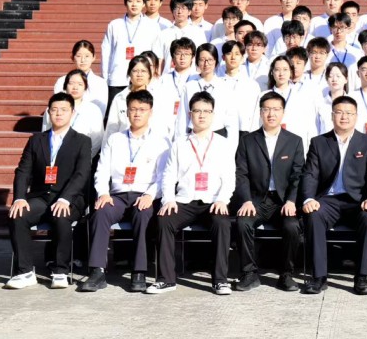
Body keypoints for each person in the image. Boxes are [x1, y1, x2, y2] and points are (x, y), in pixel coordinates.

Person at [78, 90, 169, 293]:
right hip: (117, 196)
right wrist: (103, 193)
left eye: (142, 109)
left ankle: (139, 271)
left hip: (144, 195)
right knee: (101, 212)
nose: (137, 113)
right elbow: (102, 170)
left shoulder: (161, 141)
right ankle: (97, 271)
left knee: (143, 215)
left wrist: (150, 195)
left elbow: (164, 175)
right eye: (133, 109)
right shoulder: (115, 139)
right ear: (126, 112)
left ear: (150, 112)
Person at [148, 92, 236, 295]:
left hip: (212, 201)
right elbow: (169, 175)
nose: (202, 115)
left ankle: (220, 280)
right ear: (190, 114)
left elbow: (229, 178)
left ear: (213, 114)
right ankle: (166, 279)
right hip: (185, 201)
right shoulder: (179, 143)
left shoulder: (223, 144)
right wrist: (168, 200)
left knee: (222, 223)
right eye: (197, 111)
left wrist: (222, 200)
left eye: (206, 111)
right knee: (164, 220)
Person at [300, 95, 367, 295]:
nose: (344, 117)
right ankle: (319, 277)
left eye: (349, 113)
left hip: (357, 201)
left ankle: (361, 277)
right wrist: (309, 198)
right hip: (328, 200)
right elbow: (310, 174)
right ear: (332, 116)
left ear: (356, 116)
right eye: (339, 112)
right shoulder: (319, 142)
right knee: (313, 215)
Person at [6, 93, 91, 290]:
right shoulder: (37, 140)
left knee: (61, 216)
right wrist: (19, 197)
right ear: (48, 113)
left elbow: (81, 174)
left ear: (72, 113)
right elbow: (23, 171)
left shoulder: (82, 141)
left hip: (69, 198)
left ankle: (60, 271)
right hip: (41, 196)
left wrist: (65, 198)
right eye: (54, 110)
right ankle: (25, 272)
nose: (58, 114)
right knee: (18, 215)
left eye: (64, 110)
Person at [234, 91, 304, 292]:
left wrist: (291, 200)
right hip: (257, 200)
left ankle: (286, 274)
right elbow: (241, 173)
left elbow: (298, 175)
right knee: (243, 223)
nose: (271, 114)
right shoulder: (248, 140)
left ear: (283, 112)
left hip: (283, 202)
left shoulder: (294, 141)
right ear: (260, 112)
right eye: (266, 109)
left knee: (292, 227)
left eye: (276, 109)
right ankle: (249, 273)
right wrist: (246, 200)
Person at [101, 0, 161, 111]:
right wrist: (106, 77)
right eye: (130, 1)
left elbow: (155, 54)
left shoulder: (152, 26)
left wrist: (153, 78)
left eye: (138, 1)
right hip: (117, 78)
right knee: (116, 112)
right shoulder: (114, 25)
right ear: (125, 3)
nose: (134, 4)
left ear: (143, 4)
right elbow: (106, 51)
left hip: (141, 79)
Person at [175, 44, 240, 154]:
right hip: (194, 137)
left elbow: (232, 121)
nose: (206, 64)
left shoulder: (225, 86)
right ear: (197, 62)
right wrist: (180, 143)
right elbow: (182, 118)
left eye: (210, 60)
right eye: (202, 60)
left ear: (216, 61)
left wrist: (231, 149)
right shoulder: (189, 86)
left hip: (218, 136)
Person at [105, 55, 172, 144]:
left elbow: (163, 126)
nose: (139, 74)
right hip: (124, 145)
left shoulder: (158, 97)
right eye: (135, 71)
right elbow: (111, 128)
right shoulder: (120, 98)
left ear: (149, 74)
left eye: (143, 71)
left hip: (151, 145)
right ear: (129, 73)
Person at [44, 69, 104, 161]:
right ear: (65, 86)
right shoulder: (53, 108)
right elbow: (45, 134)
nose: (75, 87)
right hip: (54, 159)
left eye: (80, 84)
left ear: (85, 87)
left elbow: (97, 139)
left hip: (82, 160)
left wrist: (84, 158)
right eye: (71, 83)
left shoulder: (93, 110)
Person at [266, 55, 318, 151]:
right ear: (272, 72)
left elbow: (310, 126)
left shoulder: (302, 96)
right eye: (277, 70)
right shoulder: (264, 96)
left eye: (285, 69)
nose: (281, 73)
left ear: (291, 72)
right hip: (269, 143)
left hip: (295, 145)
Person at [152, 0, 207, 74]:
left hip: (192, 77)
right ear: (172, 11)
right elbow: (159, 60)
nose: (180, 11)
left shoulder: (198, 33)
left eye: (183, 8)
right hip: (168, 77)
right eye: (176, 8)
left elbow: (202, 57)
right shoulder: (163, 34)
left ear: (189, 11)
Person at [53, 40, 109, 116]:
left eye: (87, 56)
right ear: (72, 58)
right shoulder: (61, 81)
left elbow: (101, 110)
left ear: (94, 58)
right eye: (79, 56)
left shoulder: (101, 83)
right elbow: (59, 105)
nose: (83, 60)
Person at [221, 41, 262, 137]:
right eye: (229, 53)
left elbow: (256, 113)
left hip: (245, 132)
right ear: (223, 57)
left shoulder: (252, 85)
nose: (233, 57)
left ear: (242, 58)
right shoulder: (216, 83)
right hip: (222, 132)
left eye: (237, 54)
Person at [317, 62, 350, 133]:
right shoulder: (320, 103)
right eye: (330, 76)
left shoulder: (352, 103)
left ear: (346, 79)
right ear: (326, 79)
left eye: (338, 76)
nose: (334, 79)